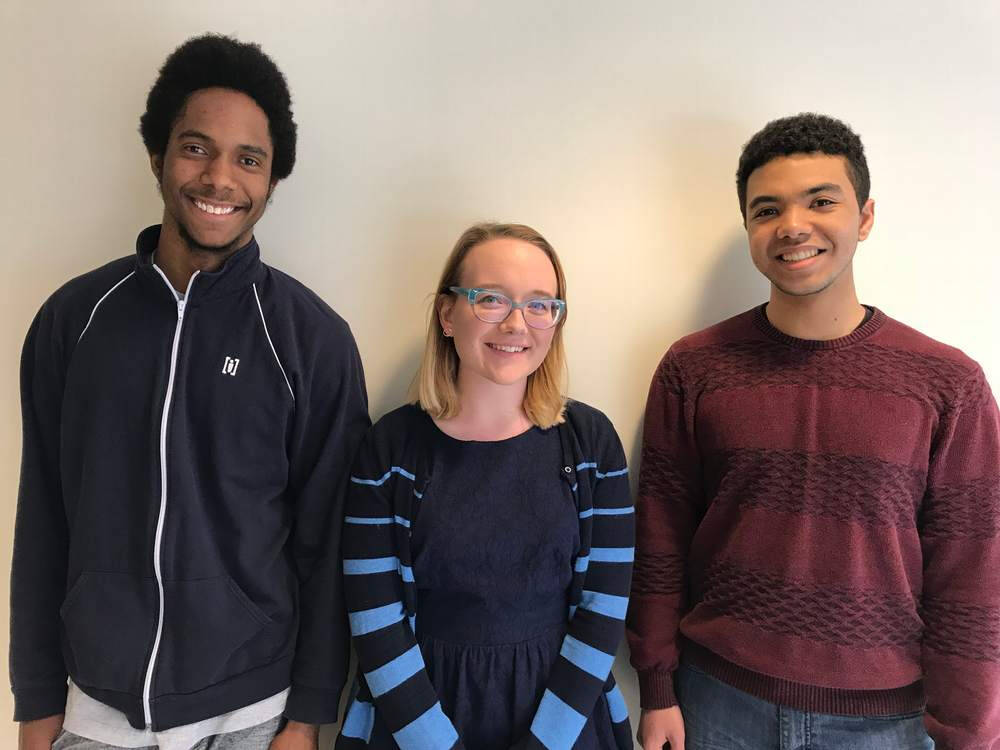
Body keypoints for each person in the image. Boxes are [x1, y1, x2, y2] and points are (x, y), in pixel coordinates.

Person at [10, 34, 370, 750]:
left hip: (252, 712)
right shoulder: (74, 321)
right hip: (94, 710)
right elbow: (43, 514)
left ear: (272, 180)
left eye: (249, 159)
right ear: (157, 155)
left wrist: (308, 715)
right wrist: (36, 697)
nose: (219, 179)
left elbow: (326, 542)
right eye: (196, 148)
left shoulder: (312, 341)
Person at [628, 113, 1000, 749]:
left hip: (886, 722)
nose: (793, 225)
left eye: (821, 201)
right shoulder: (694, 367)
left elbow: (972, 571)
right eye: (767, 209)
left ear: (865, 216)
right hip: (716, 701)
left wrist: (969, 734)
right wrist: (657, 685)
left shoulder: (948, 382)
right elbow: (661, 533)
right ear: (749, 227)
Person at [335, 223, 634, 749]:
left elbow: (602, 610)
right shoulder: (390, 447)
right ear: (447, 314)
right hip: (415, 716)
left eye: (540, 305)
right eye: (491, 299)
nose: (517, 323)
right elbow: (376, 621)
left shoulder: (591, 444)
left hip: (563, 716)